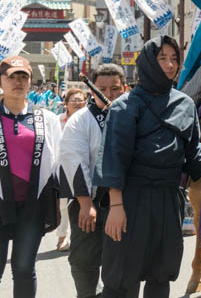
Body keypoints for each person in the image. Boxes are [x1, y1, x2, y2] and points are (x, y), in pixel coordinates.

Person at [96, 36, 201, 298]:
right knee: (123, 277)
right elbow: (114, 157)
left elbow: (192, 151)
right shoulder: (125, 105)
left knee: (161, 274)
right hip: (131, 200)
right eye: (162, 58)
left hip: (169, 200)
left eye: (174, 59)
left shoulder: (185, 104)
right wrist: (115, 206)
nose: (170, 65)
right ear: (147, 62)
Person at [57, 64, 125, 298]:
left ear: (124, 88)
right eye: (102, 88)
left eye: (115, 88)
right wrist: (86, 204)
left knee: (121, 265)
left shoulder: (132, 116)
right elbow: (73, 160)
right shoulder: (81, 120)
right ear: (91, 91)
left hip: (125, 203)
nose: (109, 93)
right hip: (91, 199)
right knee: (84, 261)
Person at [0, 55, 63, 298]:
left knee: (25, 268)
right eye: (11, 76)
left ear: (30, 82)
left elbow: (57, 161)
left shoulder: (46, 118)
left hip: (32, 206)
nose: (17, 81)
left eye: (23, 76)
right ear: (1, 81)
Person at [54, 88, 87, 252]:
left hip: (83, 168)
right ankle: (62, 237)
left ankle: (78, 238)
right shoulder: (58, 120)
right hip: (62, 166)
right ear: (66, 103)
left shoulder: (88, 120)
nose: (77, 103)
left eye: (81, 100)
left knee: (82, 204)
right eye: (73, 100)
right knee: (63, 205)